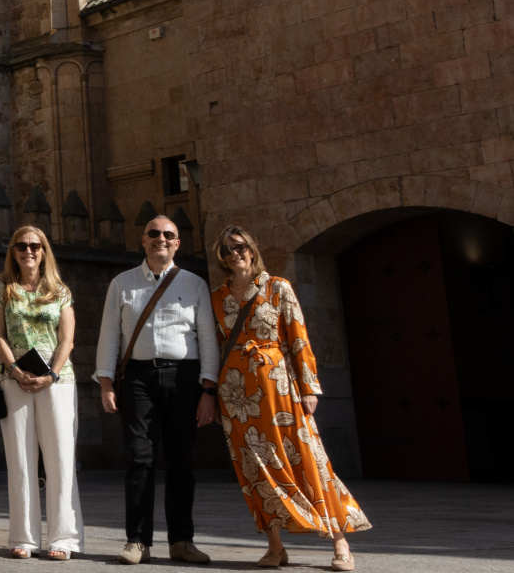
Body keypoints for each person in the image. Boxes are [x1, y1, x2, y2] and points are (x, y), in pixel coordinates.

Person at [212, 226, 368, 571]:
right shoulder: (217, 296)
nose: (233, 253)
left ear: (251, 248)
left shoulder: (278, 287)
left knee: (308, 460)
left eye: (238, 246)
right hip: (236, 396)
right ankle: (275, 547)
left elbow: (299, 338)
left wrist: (310, 388)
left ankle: (340, 543)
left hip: (280, 388)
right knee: (255, 469)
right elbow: (217, 345)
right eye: (225, 250)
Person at [94, 215, 219, 566]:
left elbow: (207, 338)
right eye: (153, 234)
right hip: (137, 378)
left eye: (168, 235)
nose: (160, 239)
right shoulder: (122, 283)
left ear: (178, 243)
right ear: (143, 241)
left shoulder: (194, 284)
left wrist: (208, 389)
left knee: (181, 461)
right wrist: (106, 383)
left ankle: (182, 541)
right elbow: (109, 336)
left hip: (184, 378)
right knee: (139, 459)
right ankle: (137, 541)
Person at [0, 227, 83, 560]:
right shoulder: (3, 287)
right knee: (19, 458)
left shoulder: (59, 290)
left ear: (44, 251)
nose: (28, 250)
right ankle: (24, 537)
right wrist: (14, 369)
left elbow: (67, 340)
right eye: (22, 246)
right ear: (13, 252)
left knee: (60, 458)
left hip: (57, 381)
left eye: (35, 245)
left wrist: (51, 375)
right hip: (14, 377)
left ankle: (65, 538)